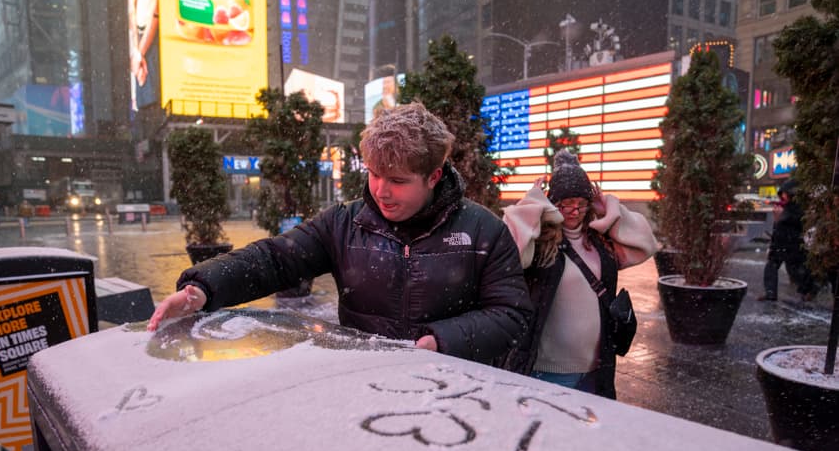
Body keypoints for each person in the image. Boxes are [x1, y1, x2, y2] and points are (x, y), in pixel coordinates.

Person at [148, 102, 532, 365]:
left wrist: (441, 341)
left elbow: (512, 315)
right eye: (374, 174)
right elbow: (274, 258)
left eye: (397, 180)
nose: (381, 190)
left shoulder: (483, 230)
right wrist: (202, 289)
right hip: (359, 378)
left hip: (451, 386)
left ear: (433, 177)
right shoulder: (344, 223)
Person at [500, 150, 658, 399]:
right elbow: (510, 255)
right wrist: (532, 205)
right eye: (566, 204)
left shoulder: (600, 242)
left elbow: (646, 244)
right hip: (547, 372)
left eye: (581, 204)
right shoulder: (541, 243)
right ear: (553, 203)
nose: (574, 211)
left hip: (596, 371)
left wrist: (610, 210)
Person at [757, 178, 818, 302]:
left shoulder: (797, 207)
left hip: (792, 243)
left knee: (797, 270)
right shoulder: (782, 207)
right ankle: (771, 293)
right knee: (772, 266)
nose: (782, 196)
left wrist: (781, 218)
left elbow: (799, 222)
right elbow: (777, 226)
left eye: (784, 193)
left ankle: (809, 290)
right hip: (779, 242)